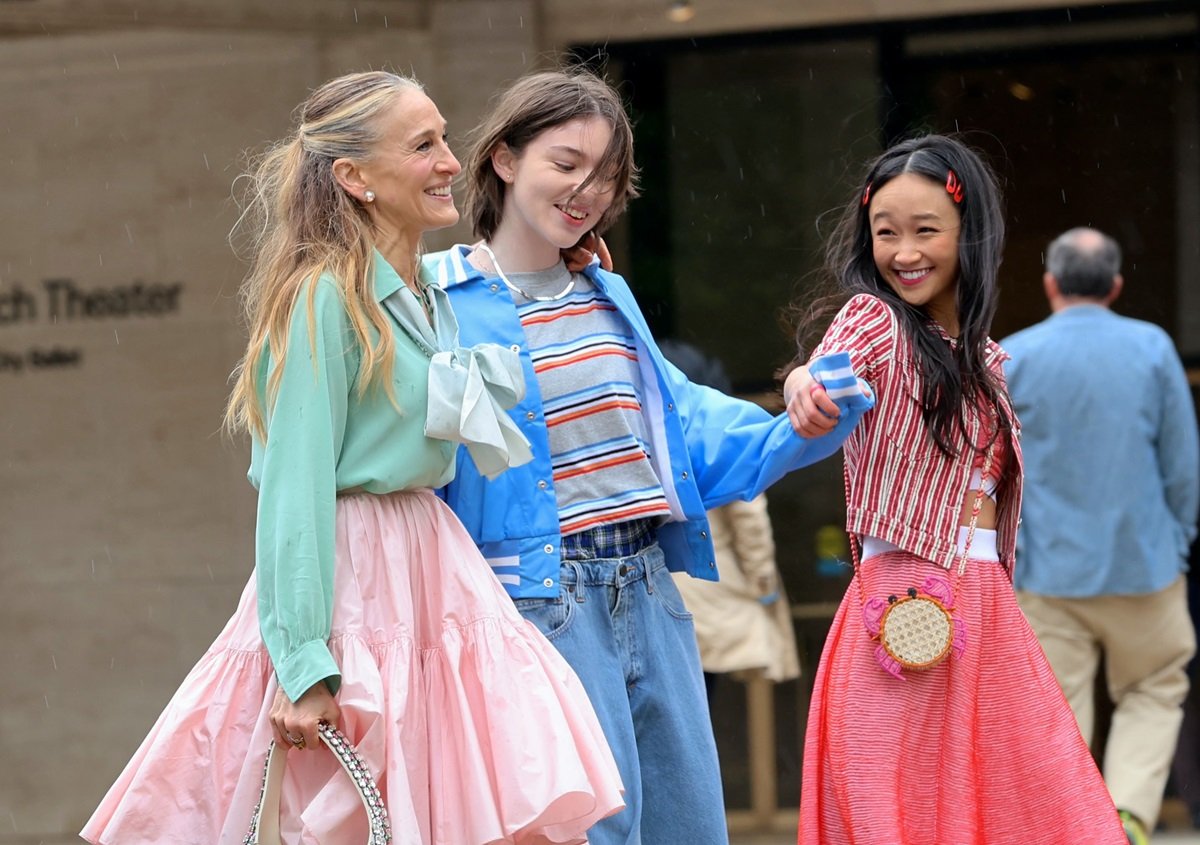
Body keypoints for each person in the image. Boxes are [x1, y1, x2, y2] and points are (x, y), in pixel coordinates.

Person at [81, 70, 625, 845]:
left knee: (480, 807)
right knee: (367, 814)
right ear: (354, 178)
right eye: (423, 144)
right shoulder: (324, 295)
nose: (448, 159)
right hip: (359, 577)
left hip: (435, 569)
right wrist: (303, 663)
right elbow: (293, 488)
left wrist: (559, 251)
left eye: (443, 137)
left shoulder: (420, 289)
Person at [422, 68, 873, 845]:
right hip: (534, 600)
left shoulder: (607, 297)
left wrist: (803, 412)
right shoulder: (435, 299)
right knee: (586, 831)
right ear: (503, 159)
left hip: (653, 590)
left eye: (604, 176)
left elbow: (686, 424)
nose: (585, 191)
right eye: (565, 164)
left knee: (688, 825)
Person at [784, 134, 1129, 843]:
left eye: (925, 230)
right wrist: (801, 387)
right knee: (900, 806)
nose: (904, 251)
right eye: (886, 233)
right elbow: (821, 370)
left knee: (1029, 800)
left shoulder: (987, 360)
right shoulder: (874, 320)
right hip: (903, 598)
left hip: (986, 602)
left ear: (969, 235)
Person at [1001, 227, 1199, 844]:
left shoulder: (1012, 355)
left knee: (1057, 708)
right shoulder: (1152, 347)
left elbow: (996, 468)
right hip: (1146, 563)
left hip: (1048, 568)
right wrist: (1179, 540)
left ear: (1050, 284)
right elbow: (1182, 462)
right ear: (1115, 286)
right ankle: (1130, 816)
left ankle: (1071, 825)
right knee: (1154, 688)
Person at [658, 338, 800, 697]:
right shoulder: (718, 436)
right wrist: (764, 587)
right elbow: (750, 525)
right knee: (701, 701)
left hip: (657, 590)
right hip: (712, 586)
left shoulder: (648, 437)